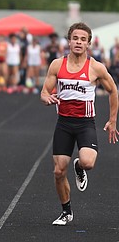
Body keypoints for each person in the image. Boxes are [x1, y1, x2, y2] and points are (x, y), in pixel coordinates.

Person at [40, 22, 118, 226]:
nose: (78, 42)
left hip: (85, 124)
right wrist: (46, 97)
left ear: (89, 43)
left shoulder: (96, 67)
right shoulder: (57, 64)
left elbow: (113, 91)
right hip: (64, 124)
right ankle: (66, 212)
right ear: (69, 40)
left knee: (88, 162)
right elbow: (44, 91)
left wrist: (112, 120)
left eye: (83, 39)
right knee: (58, 171)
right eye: (75, 38)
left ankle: (79, 166)